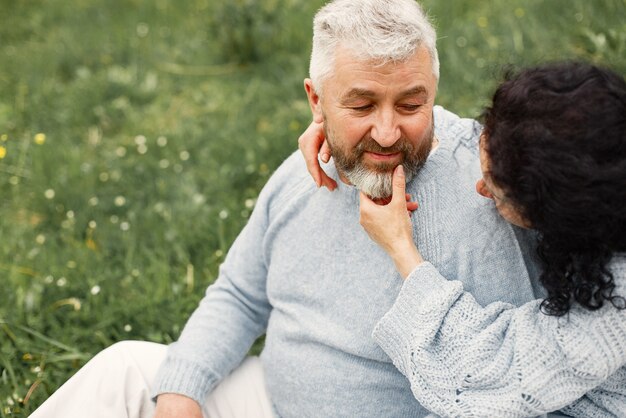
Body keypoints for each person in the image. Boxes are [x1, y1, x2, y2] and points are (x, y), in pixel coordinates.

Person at [29, 1, 546, 417]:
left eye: (411, 105)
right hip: (269, 401)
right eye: (362, 106)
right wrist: (180, 396)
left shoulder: (487, 187)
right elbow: (238, 294)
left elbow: (493, 383)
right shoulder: (298, 177)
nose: (387, 133)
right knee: (124, 371)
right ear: (315, 101)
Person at [301, 61, 626, 416]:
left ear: (559, 216)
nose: (479, 187)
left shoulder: (612, 313)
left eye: (497, 194)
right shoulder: (597, 151)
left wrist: (401, 248)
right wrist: (344, 124)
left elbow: (487, 373)